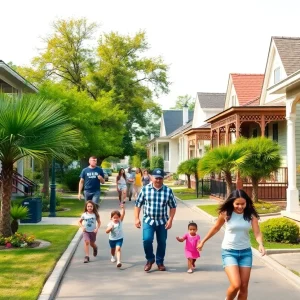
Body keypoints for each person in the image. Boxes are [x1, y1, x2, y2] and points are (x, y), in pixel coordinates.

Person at [197, 189, 265, 300]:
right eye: (237, 204)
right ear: (232, 203)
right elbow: (216, 228)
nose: (240, 206)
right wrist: (203, 241)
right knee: (236, 284)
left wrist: (260, 244)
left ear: (246, 203)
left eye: (243, 204)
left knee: (243, 287)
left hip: (246, 253)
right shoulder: (226, 214)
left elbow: (257, 232)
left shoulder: (251, 216)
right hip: (229, 252)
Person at [134, 168, 177, 272]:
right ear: (151, 177)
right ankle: (150, 259)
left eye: (160, 178)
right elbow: (138, 205)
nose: (158, 180)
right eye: (156, 178)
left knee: (162, 242)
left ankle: (160, 262)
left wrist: (170, 220)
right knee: (147, 240)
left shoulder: (168, 191)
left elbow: (173, 206)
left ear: (163, 179)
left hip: (162, 221)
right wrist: (136, 218)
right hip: (149, 220)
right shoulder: (145, 189)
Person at [106, 204, 125, 268]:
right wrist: (110, 228)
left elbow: (123, 214)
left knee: (118, 249)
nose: (116, 219)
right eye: (114, 217)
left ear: (119, 218)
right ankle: (113, 256)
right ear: (111, 218)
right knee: (113, 249)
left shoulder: (120, 221)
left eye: (117, 217)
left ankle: (118, 261)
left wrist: (123, 208)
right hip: (112, 239)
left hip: (119, 238)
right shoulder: (110, 223)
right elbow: (106, 231)